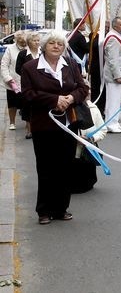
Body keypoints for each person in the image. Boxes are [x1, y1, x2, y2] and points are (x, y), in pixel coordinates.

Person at [20, 30, 89, 224]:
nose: (56, 46)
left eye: (60, 43)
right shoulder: (30, 67)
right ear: (43, 46)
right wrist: (54, 100)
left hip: (68, 124)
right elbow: (28, 95)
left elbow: (82, 88)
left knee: (65, 167)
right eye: (52, 43)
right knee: (46, 167)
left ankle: (61, 208)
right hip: (44, 126)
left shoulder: (71, 65)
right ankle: (44, 210)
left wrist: (70, 98)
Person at [103, 17, 121, 133]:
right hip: (115, 75)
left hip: (120, 74)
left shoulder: (119, 36)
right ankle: (111, 124)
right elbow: (112, 59)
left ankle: (114, 122)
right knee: (113, 100)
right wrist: (117, 75)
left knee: (116, 100)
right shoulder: (112, 38)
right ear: (114, 26)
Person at [16, 31, 42, 139]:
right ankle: (29, 129)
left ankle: (40, 128)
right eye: (34, 40)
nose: (36, 43)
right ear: (28, 42)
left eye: (38, 40)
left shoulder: (43, 53)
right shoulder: (23, 54)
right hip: (28, 84)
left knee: (40, 105)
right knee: (28, 106)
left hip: (42, 84)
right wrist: (28, 76)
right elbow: (18, 69)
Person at [1, 31, 26, 130]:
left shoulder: (30, 48)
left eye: (24, 42)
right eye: (21, 42)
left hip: (27, 82)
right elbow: (4, 65)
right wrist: (8, 79)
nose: (23, 44)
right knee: (12, 103)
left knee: (27, 103)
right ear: (16, 40)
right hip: (13, 81)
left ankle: (28, 124)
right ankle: (12, 122)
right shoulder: (10, 49)